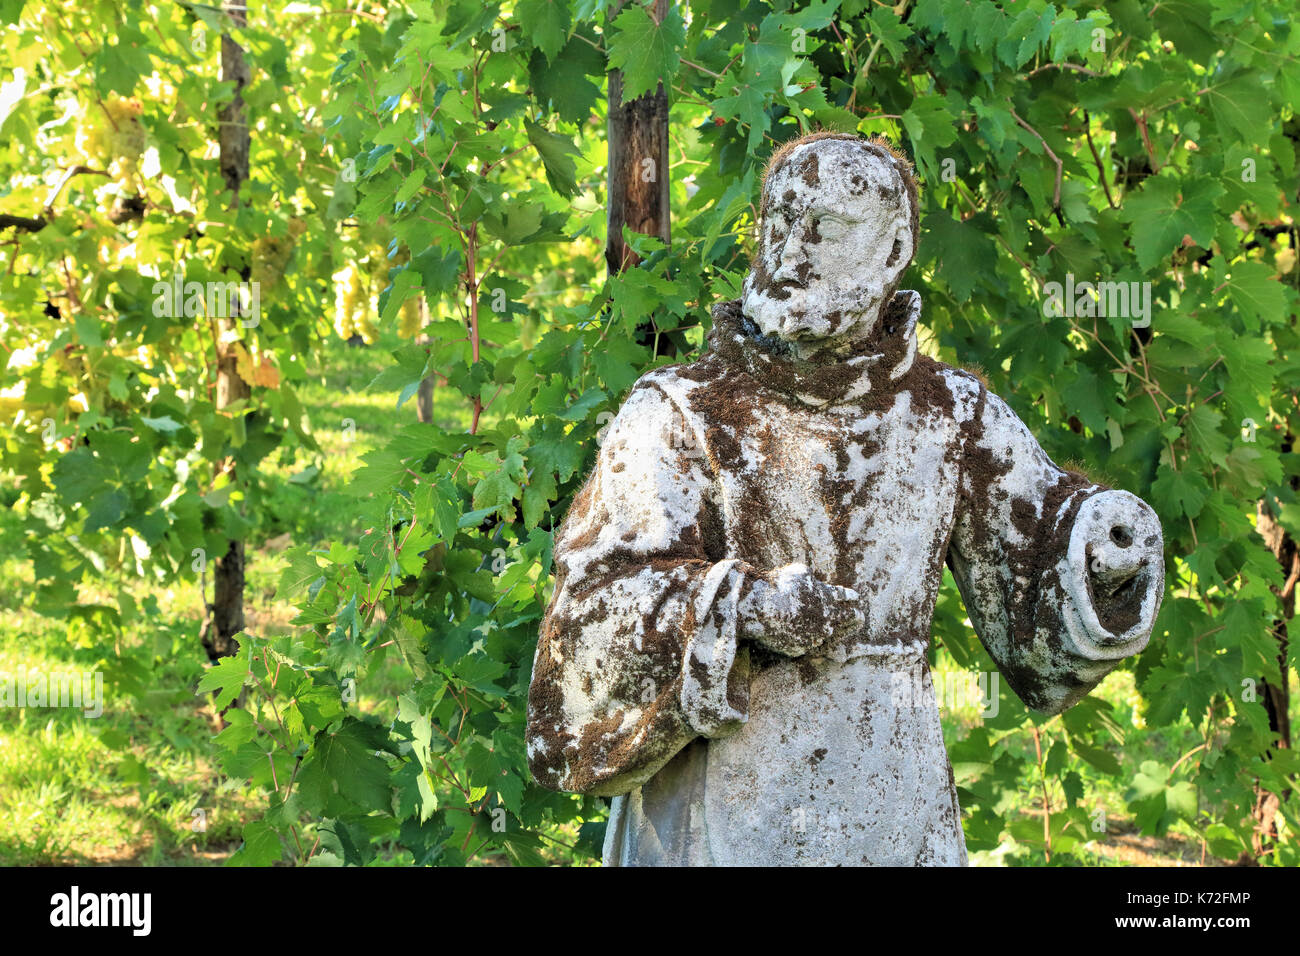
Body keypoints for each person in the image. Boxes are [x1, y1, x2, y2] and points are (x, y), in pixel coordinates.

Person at [526, 133, 1164, 866]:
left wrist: (1102, 546)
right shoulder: (681, 411)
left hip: (893, 801)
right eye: (780, 220)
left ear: (893, 252)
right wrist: (744, 606)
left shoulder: (948, 413)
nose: (793, 247)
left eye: (825, 227)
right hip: (719, 810)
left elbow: (1037, 556)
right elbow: (592, 613)